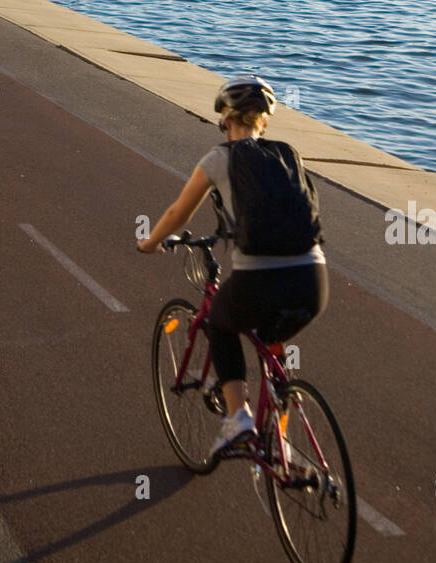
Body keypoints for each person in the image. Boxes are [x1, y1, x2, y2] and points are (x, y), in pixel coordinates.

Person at [137, 74, 328, 457]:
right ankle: (284, 439)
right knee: (272, 352)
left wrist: (150, 242)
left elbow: (179, 212)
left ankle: (238, 416)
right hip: (314, 280)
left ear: (226, 120)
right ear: (264, 120)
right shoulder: (289, 154)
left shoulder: (220, 158)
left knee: (221, 324)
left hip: (260, 280)